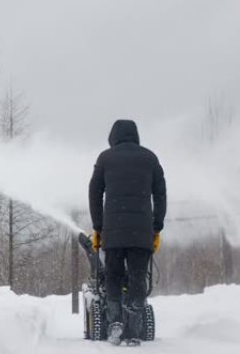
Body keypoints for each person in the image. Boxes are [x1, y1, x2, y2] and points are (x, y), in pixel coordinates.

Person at [88, 119, 167, 346]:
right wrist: (157, 227)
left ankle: (114, 323)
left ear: (113, 137)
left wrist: (98, 227)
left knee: (112, 276)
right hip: (142, 233)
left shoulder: (105, 159)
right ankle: (133, 330)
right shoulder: (150, 158)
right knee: (137, 279)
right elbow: (161, 195)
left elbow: (94, 193)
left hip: (112, 231)